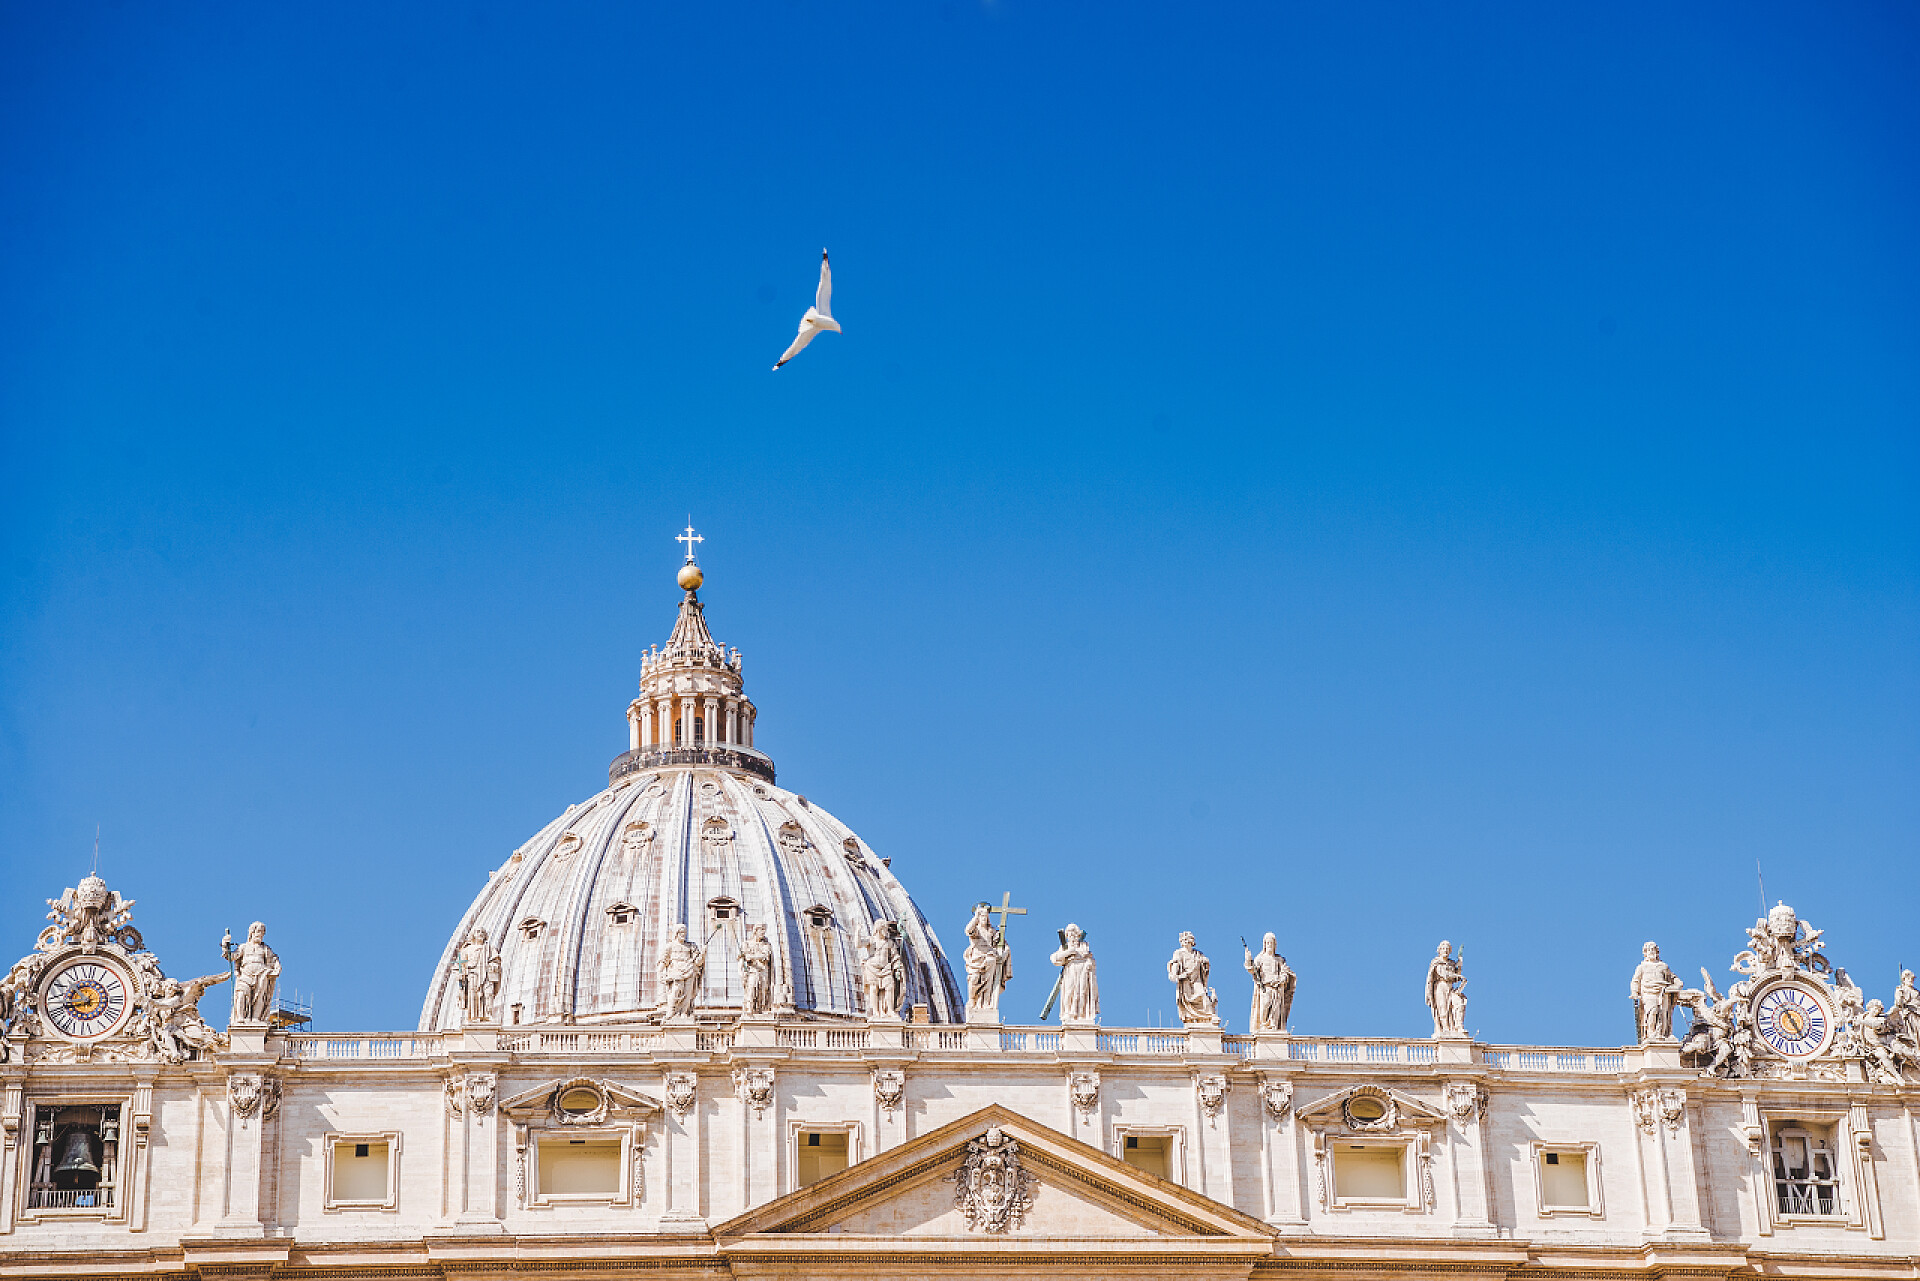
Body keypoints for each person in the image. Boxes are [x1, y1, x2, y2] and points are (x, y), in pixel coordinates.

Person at [223, 922, 281, 1024]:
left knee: (259, 996)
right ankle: (240, 1017)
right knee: (241, 993)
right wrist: (225, 945)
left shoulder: (265, 949)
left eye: (262, 932)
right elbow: (230, 956)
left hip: (261, 974)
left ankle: (256, 1019)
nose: (260, 934)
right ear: (252, 933)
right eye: (258, 931)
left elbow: (274, 960)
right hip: (245, 974)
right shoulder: (243, 947)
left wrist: (276, 969)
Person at [1630, 941, 1682, 1042]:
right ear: (1645, 952)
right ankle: (1651, 1033)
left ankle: (1662, 1034)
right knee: (1652, 1011)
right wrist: (1635, 992)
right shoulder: (1642, 967)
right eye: (1649, 950)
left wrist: (1678, 983)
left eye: (1653, 949)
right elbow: (1635, 981)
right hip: (1648, 992)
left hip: (1663, 991)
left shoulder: (1663, 966)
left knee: (1663, 1014)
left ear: (1657, 952)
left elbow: (1673, 977)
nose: (1651, 952)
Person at [1245, 933, 1296, 1032]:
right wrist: (1248, 959)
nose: (1269, 945)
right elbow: (1252, 969)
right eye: (1267, 943)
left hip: (1277, 987)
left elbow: (1284, 971)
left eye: (1271, 943)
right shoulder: (1260, 958)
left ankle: (1273, 1026)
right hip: (1266, 986)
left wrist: (1282, 978)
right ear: (1264, 944)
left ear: (1274, 945)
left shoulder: (1279, 960)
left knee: (1276, 1009)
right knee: (1266, 1004)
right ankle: (1264, 1024)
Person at [1050, 924, 1098, 1024]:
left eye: (1074, 933)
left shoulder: (1084, 946)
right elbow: (1054, 958)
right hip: (1070, 970)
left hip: (1083, 971)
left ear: (1078, 934)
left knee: (1082, 992)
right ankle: (1068, 1013)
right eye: (1070, 934)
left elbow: (1090, 959)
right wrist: (1067, 952)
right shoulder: (1065, 947)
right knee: (1069, 992)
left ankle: (1081, 1014)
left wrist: (1089, 962)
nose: (1072, 935)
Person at [1167, 932, 1217, 1025]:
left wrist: (1205, 962)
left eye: (1186, 939)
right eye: (1182, 940)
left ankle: (1210, 1015)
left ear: (1191, 941)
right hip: (1185, 979)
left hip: (1196, 978)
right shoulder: (1178, 953)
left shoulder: (1198, 953)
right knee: (1188, 999)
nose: (1184, 942)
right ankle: (1191, 1017)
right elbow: (1175, 964)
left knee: (1202, 994)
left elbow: (1205, 964)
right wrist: (1175, 974)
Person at [1425, 940, 1467, 1037]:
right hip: (1440, 986)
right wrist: (1456, 975)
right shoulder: (1436, 962)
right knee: (1442, 1008)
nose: (1445, 951)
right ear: (1439, 950)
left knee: (1454, 1006)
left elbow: (1456, 977)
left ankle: (1455, 1027)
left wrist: (1459, 966)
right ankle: (1445, 1029)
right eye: (1443, 949)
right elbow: (1443, 974)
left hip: (1450, 987)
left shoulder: (1451, 963)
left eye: (1448, 949)